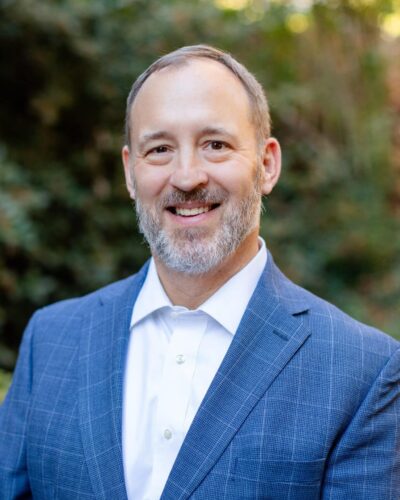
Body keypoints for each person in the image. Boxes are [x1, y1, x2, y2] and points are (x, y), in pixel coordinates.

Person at [0, 45, 399, 500]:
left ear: (267, 165)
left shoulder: (363, 373)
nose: (187, 177)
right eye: (160, 149)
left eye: (215, 145)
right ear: (130, 173)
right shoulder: (50, 341)